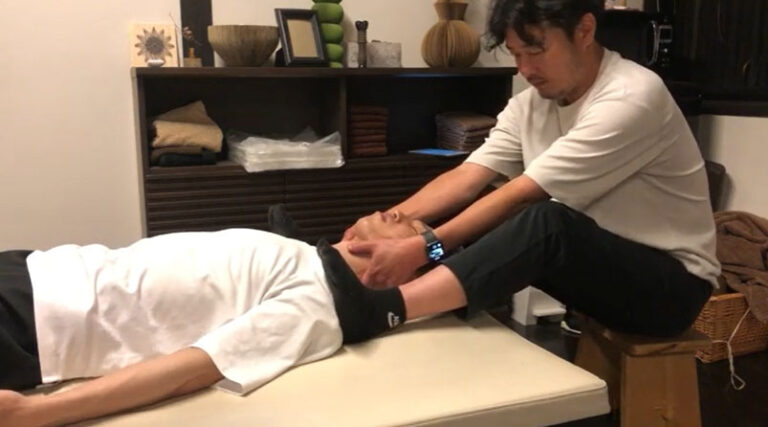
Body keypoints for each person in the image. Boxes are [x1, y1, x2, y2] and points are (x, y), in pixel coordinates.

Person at [335, 0, 720, 343]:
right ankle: (348, 274)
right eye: (516, 54)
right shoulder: (530, 105)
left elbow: (521, 194)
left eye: (536, 50)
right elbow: (468, 177)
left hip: (672, 289)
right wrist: (384, 220)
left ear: (585, 30)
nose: (525, 69)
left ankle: (383, 310)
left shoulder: (632, 96)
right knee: (478, 218)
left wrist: (424, 247)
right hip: (603, 263)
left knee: (546, 223)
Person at [0, 207, 424, 426]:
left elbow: (192, 368)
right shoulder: (301, 254)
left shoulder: (314, 307)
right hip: (38, 267)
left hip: (36, 320)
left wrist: (36, 414)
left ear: (403, 271)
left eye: (417, 231)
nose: (401, 212)